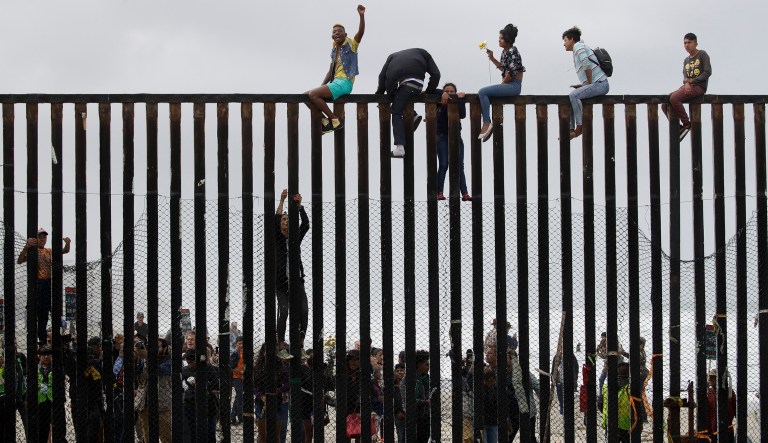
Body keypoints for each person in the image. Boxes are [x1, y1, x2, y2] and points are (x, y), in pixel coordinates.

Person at [305, 5, 366, 135]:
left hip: (345, 82)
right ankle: (325, 122)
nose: (336, 33)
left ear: (345, 34)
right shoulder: (334, 51)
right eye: (334, 32)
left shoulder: (351, 45)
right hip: (335, 82)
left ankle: (334, 120)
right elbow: (330, 71)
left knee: (313, 95)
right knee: (306, 95)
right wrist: (321, 86)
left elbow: (360, 33)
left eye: (339, 31)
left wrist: (361, 16)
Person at [375, 48, 441, 158]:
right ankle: (414, 115)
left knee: (396, 112)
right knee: (400, 99)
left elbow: (382, 77)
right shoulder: (422, 52)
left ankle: (400, 148)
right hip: (417, 86)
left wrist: (380, 95)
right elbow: (436, 74)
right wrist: (429, 91)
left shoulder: (392, 57)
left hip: (405, 85)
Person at [17, 228, 71, 344]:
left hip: (50, 283)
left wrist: (67, 243)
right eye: (40, 237)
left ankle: (60, 335)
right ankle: (42, 340)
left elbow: (65, 251)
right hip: (39, 284)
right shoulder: (33, 252)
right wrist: (26, 247)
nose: (42, 239)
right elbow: (20, 260)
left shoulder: (48, 251)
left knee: (55, 310)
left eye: (44, 237)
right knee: (43, 314)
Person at [275, 189, 310, 360]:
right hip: (281, 282)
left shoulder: (295, 238)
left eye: (289, 219)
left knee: (303, 310)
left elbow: (306, 224)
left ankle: (300, 345)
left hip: (296, 280)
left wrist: (299, 206)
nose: (286, 221)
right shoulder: (277, 238)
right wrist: (282, 200)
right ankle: (281, 346)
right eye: (284, 219)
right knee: (284, 311)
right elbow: (275, 219)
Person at [477, 24, 526, 142]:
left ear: (508, 39)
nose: (499, 40)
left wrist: (502, 84)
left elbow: (511, 73)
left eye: (501, 38)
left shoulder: (512, 51)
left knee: (482, 92)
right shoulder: (505, 52)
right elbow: (504, 69)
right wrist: (492, 58)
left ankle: (487, 122)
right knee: (486, 93)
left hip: (514, 85)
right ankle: (487, 123)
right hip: (509, 84)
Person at [662, 32, 712, 142]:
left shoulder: (702, 54)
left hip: (699, 86)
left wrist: (692, 81)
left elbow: (708, 72)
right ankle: (678, 127)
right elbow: (685, 77)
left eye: (689, 42)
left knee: (674, 98)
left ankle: (686, 124)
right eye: (685, 43)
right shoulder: (686, 60)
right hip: (688, 86)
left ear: (696, 43)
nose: (687, 45)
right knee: (664, 103)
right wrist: (687, 84)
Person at [562, 26, 609, 140]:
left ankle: (580, 127)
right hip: (598, 84)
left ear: (572, 39)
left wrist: (587, 84)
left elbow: (586, 64)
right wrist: (584, 85)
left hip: (601, 84)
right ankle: (571, 129)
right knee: (574, 95)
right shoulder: (579, 48)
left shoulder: (578, 46)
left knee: (574, 95)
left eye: (565, 40)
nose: (564, 44)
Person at [434, 82, 472, 201]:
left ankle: (464, 193)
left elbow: (462, 114)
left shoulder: (457, 101)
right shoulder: (439, 103)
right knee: (444, 164)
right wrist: (442, 93)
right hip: (442, 137)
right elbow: (429, 90)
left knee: (459, 166)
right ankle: (439, 192)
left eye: (452, 91)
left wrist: (460, 99)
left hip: (456, 137)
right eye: (447, 91)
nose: (450, 93)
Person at [181, 348, 219, 443]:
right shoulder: (184, 370)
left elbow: (216, 384)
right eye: (188, 362)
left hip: (208, 403)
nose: (190, 364)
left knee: (210, 430)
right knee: (192, 430)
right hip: (190, 403)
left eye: (192, 361)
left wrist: (204, 387)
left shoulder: (207, 367)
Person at [400, 350, 431, 442]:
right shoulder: (407, 380)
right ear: (419, 365)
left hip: (425, 417)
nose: (428, 367)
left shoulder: (427, 379)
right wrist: (424, 402)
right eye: (426, 364)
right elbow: (407, 399)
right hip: (413, 417)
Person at [599, 362, 632, 442]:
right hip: (627, 423)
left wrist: (606, 412)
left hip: (611, 420)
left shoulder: (607, 387)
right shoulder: (632, 388)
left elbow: (600, 404)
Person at [707, 367, 736, 442]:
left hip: (727, 431)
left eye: (713, 377)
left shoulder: (729, 393)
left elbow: (736, 411)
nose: (710, 379)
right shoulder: (708, 393)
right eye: (710, 377)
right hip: (712, 432)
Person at [230, 336, 245, 425]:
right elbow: (232, 368)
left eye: (242, 343)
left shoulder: (243, 353)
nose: (241, 345)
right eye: (239, 344)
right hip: (236, 378)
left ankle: (232, 417)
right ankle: (240, 417)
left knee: (238, 397)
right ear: (236, 344)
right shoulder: (235, 354)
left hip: (242, 378)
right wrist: (240, 372)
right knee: (240, 397)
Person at [393, 363, 406, 443]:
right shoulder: (392, 384)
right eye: (397, 371)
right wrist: (397, 412)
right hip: (398, 414)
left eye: (401, 370)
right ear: (395, 372)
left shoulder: (408, 383)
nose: (399, 372)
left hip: (409, 412)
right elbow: (390, 400)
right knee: (401, 436)